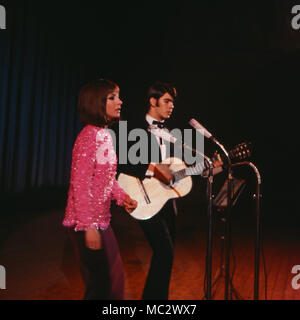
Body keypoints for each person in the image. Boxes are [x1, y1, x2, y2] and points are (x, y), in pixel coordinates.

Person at [62, 79, 137, 300]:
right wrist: (89, 226)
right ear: (97, 103)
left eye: (118, 96)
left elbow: (105, 178)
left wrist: (123, 197)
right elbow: (80, 183)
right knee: (103, 288)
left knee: (109, 285)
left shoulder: (103, 135)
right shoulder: (91, 136)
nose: (120, 101)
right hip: (87, 223)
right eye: (112, 97)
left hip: (99, 221)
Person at [113, 81, 179, 300]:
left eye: (173, 102)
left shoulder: (170, 134)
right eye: (167, 101)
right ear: (153, 101)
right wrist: (153, 168)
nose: (171, 106)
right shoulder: (133, 128)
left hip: (166, 201)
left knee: (165, 256)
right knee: (165, 252)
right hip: (143, 197)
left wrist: (209, 167)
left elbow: (174, 170)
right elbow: (123, 162)